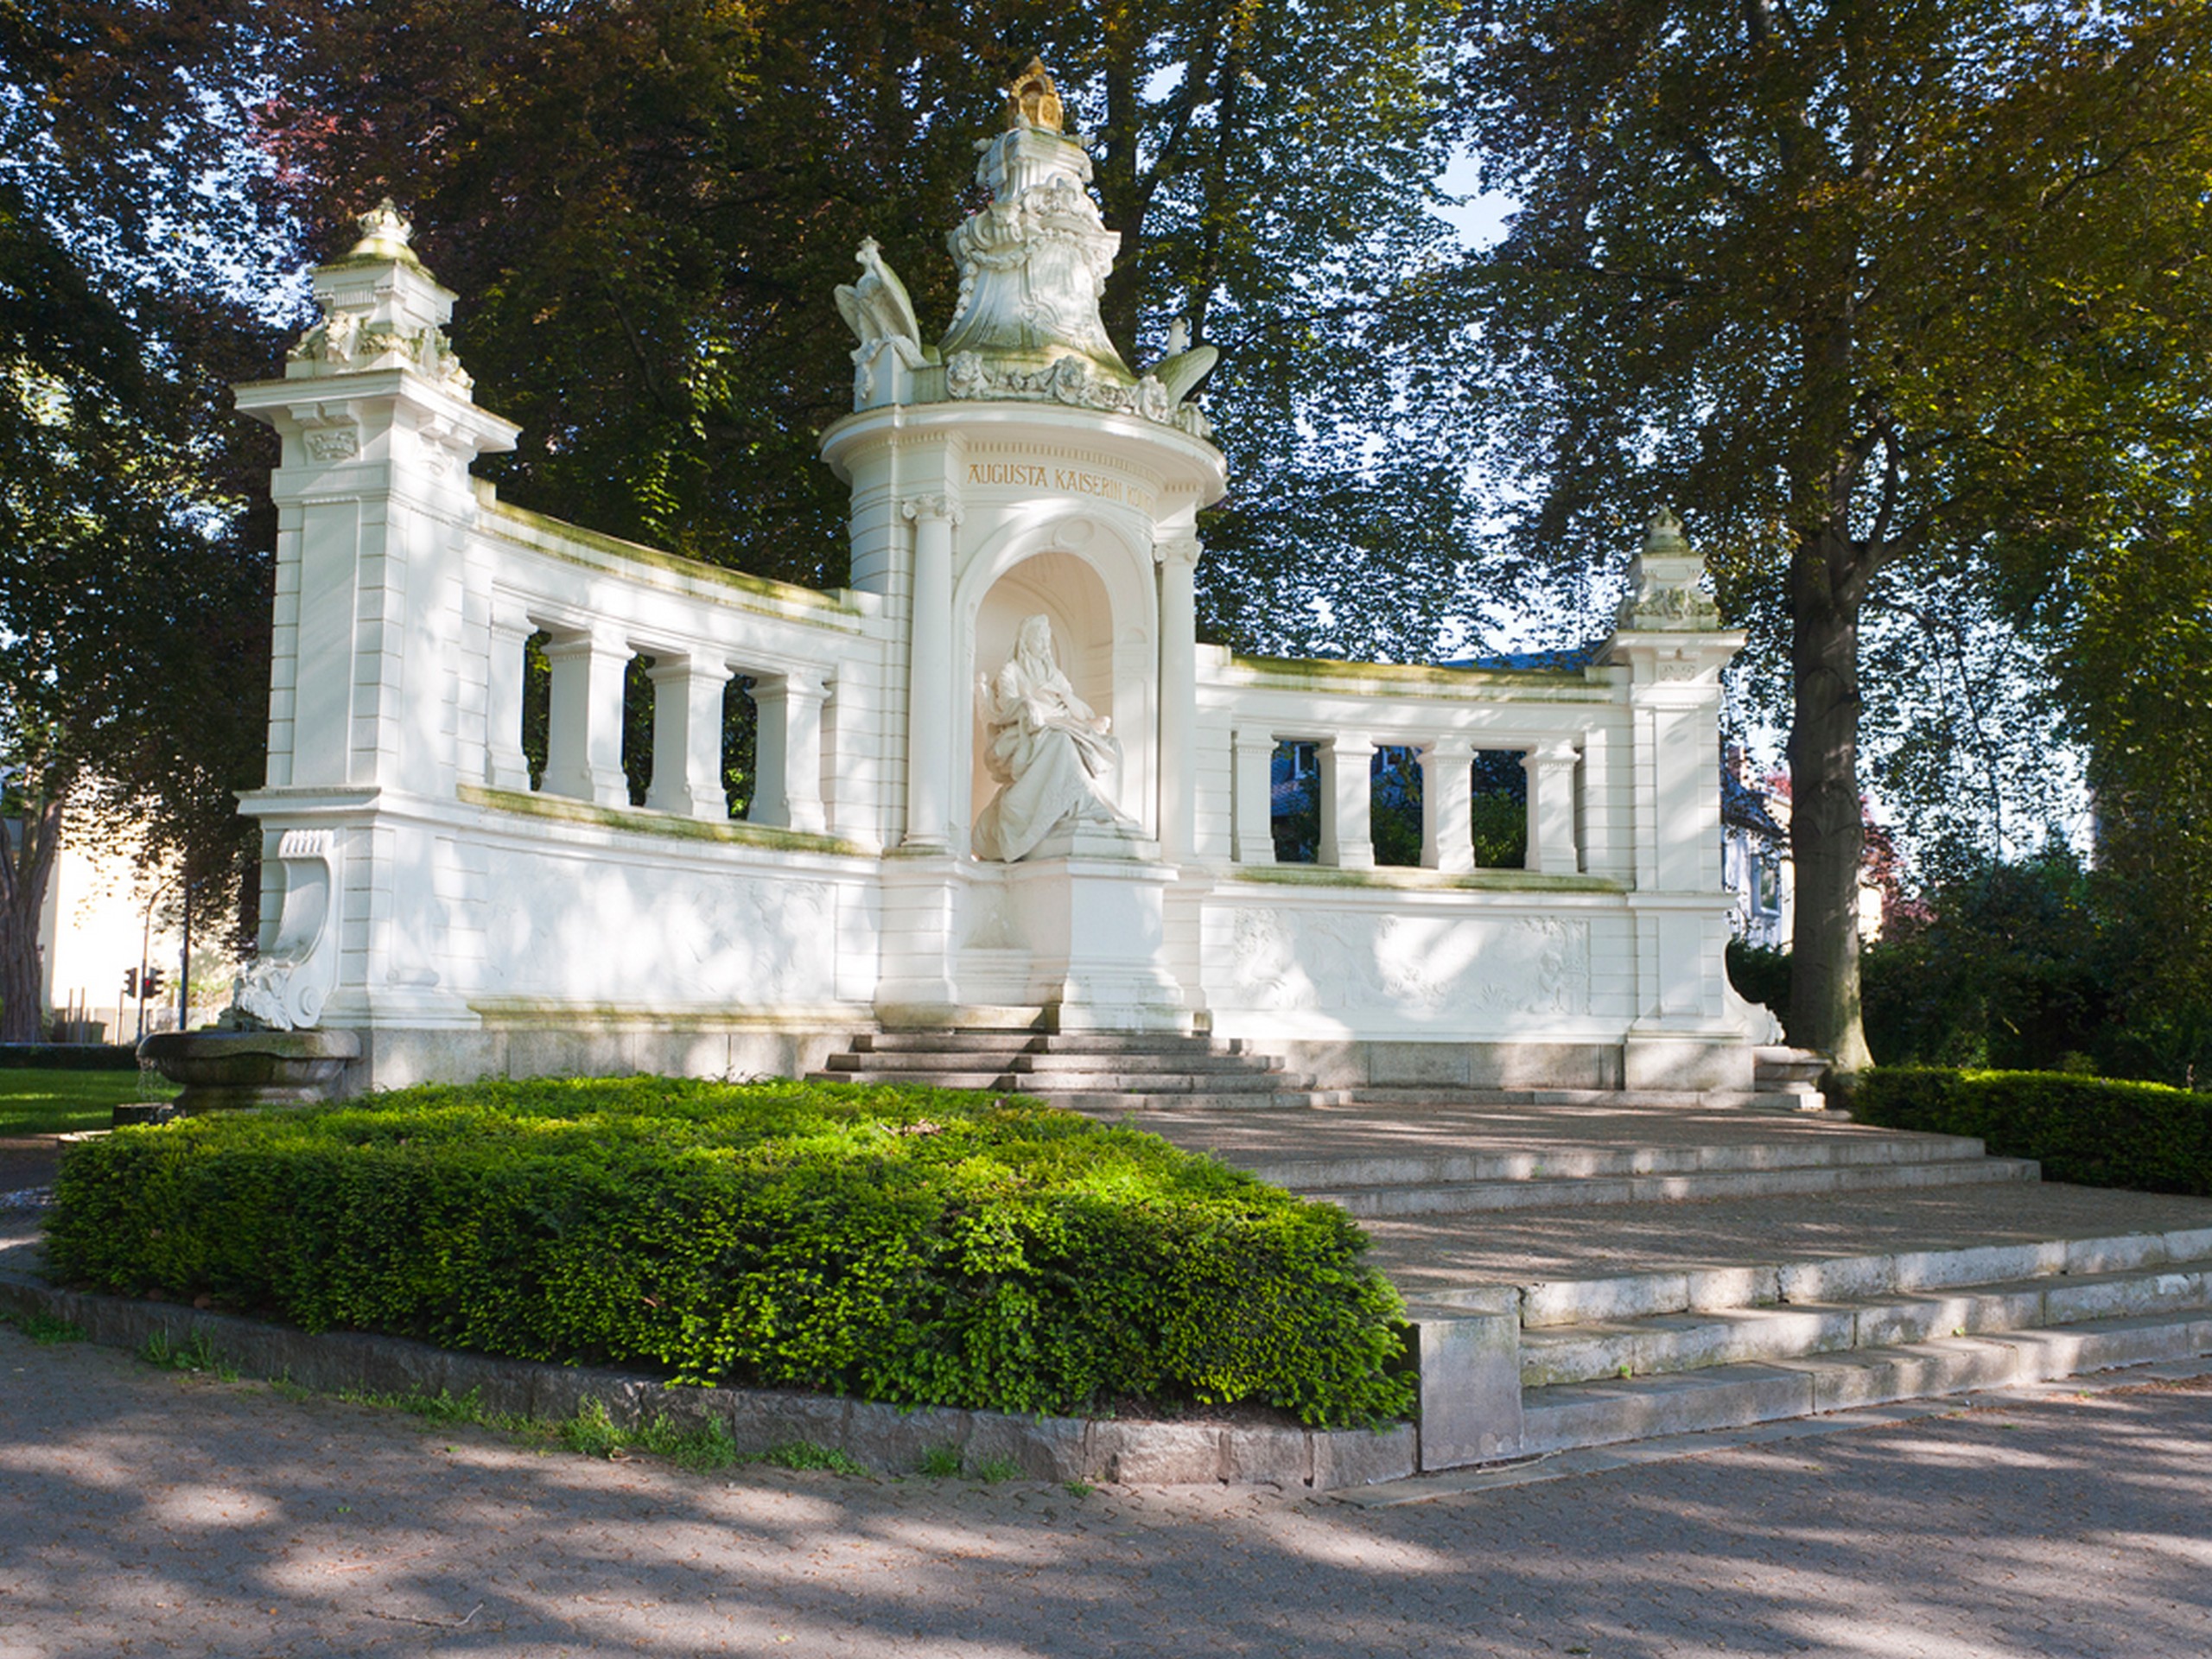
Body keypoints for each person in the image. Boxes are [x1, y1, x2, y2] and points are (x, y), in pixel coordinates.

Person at [971, 614, 1134, 861]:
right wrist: (1028, 705)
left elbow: (1075, 706)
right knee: (1060, 742)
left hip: (1062, 726)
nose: (1044, 641)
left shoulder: (1052, 673)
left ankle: (1094, 810)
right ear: (1026, 641)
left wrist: (1081, 713)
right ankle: (1062, 810)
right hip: (1024, 733)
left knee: (1113, 745)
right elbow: (1005, 706)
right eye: (1039, 636)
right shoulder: (1011, 671)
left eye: (1047, 637)